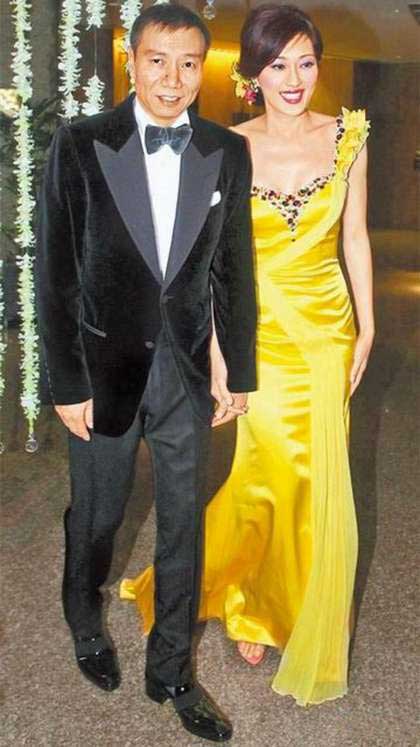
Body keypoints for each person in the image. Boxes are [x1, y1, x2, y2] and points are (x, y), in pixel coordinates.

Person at [121, 4, 374, 707]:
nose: (293, 79)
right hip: (254, 331)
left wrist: (368, 328)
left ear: (319, 66)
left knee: (321, 476)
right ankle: (252, 599)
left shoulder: (349, 136)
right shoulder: (224, 147)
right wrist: (219, 355)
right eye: (276, 64)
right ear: (252, 75)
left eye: (305, 62)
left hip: (327, 330)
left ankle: (304, 608)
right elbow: (212, 264)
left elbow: (355, 237)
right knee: (264, 468)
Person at [36, 4, 257, 741]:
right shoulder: (80, 143)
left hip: (186, 373)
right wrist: (67, 381)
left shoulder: (225, 150)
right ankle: (83, 617)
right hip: (101, 371)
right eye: (158, 60)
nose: (173, 78)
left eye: (189, 63)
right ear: (132, 61)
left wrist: (238, 369)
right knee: (98, 516)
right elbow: (57, 274)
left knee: (184, 526)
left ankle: (173, 671)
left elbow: (233, 269)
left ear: (203, 68)